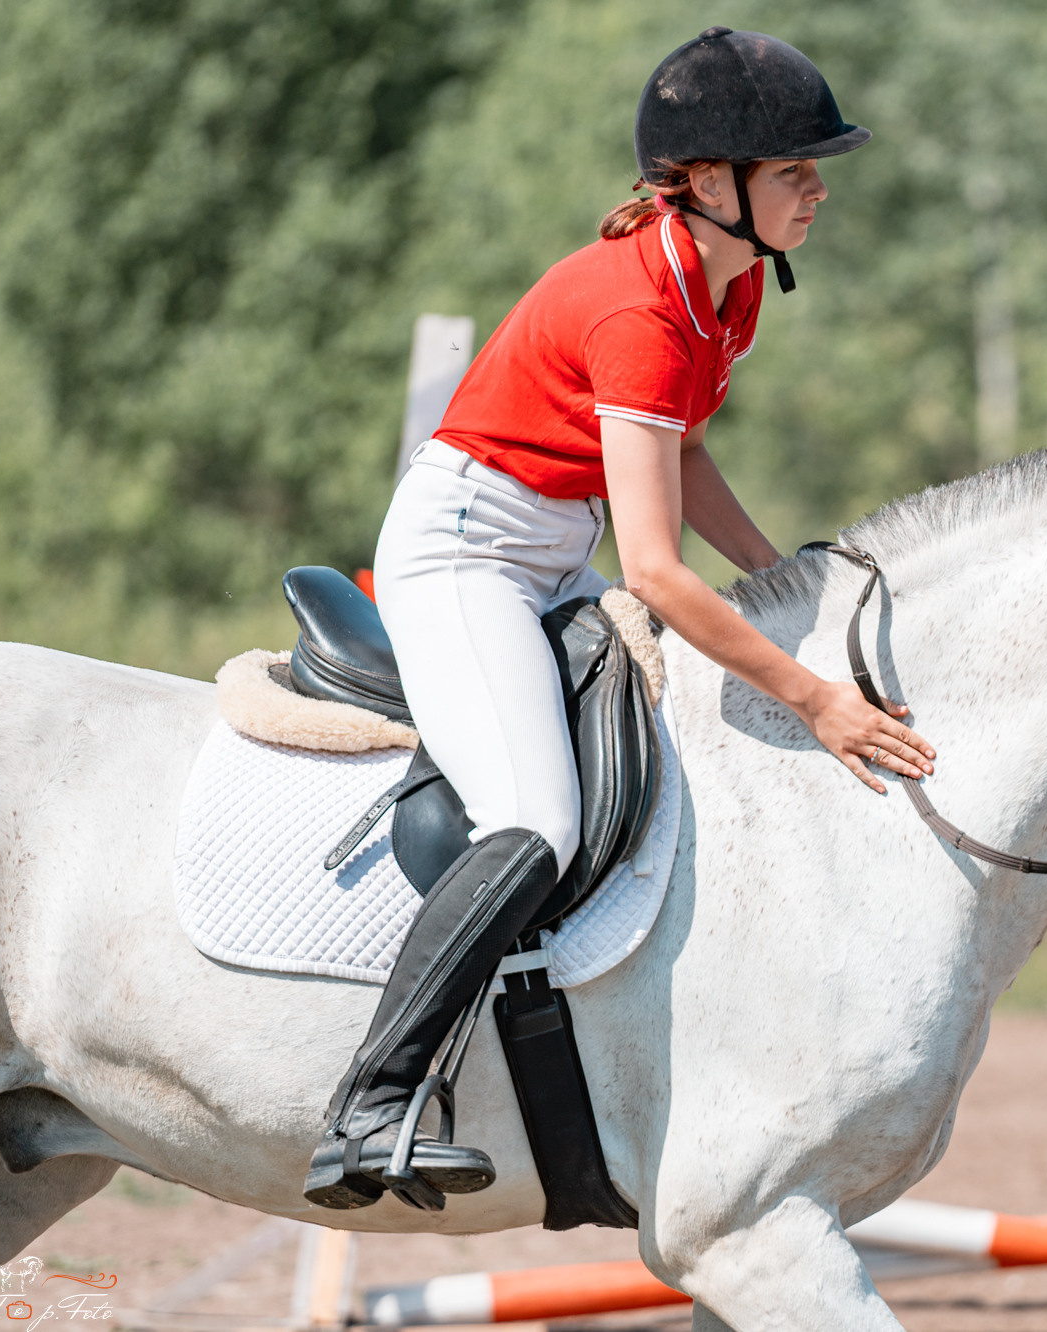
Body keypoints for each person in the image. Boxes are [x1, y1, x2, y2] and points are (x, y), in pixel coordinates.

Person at [304, 27, 937, 1211]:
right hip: (468, 554)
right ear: (708, 183)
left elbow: (681, 456)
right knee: (536, 818)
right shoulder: (635, 308)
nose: (817, 187)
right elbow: (652, 571)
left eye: (813, 167)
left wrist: (781, 579)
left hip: (552, 547)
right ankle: (372, 1104)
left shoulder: (727, 285)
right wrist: (818, 699)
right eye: (795, 168)